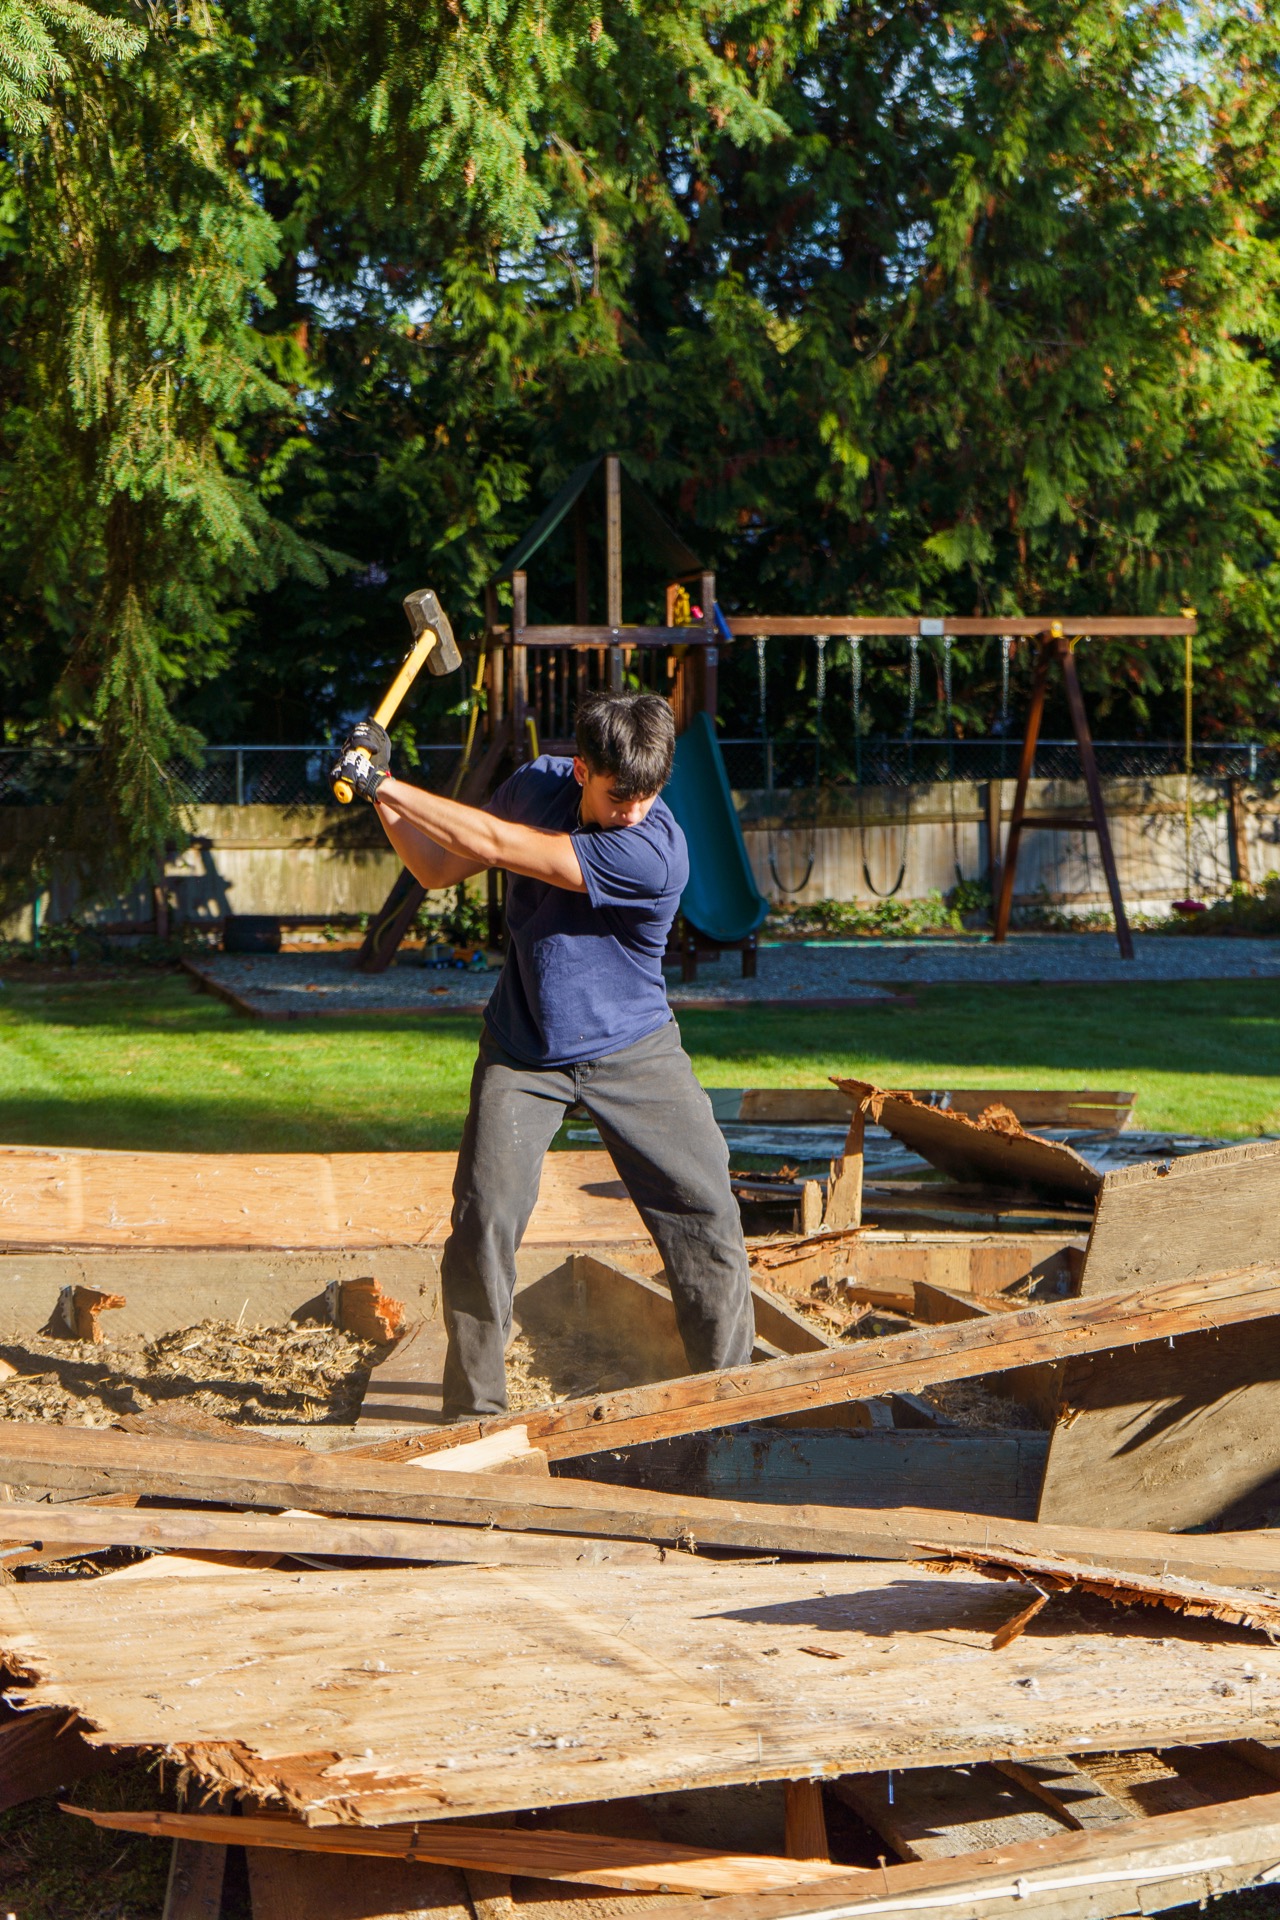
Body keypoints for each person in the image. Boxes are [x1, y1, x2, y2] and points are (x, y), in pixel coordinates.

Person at [331, 691, 755, 1418]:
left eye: (649, 795)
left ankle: (730, 1406)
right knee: (483, 1222)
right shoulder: (535, 786)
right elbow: (437, 865)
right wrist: (383, 790)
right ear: (581, 769)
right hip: (524, 1046)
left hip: (633, 1048)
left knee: (706, 1211)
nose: (635, 810)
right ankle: (474, 1416)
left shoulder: (653, 850)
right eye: (620, 795)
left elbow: (499, 847)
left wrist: (384, 783)